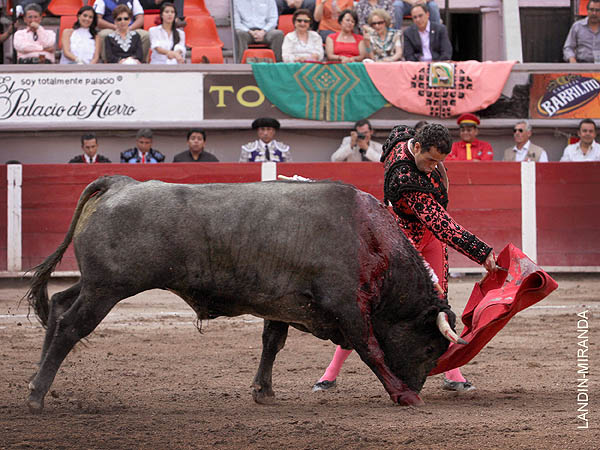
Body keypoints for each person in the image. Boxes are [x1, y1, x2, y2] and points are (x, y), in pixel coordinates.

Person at [313, 123, 497, 393]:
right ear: (418, 147)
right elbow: (442, 224)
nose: (433, 167)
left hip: (429, 240)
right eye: (430, 160)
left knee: (439, 304)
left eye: (439, 161)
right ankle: (331, 372)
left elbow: (399, 130)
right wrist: (481, 252)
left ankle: (453, 373)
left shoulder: (402, 138)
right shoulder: (405, 178)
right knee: (370, 307)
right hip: (400, 243)